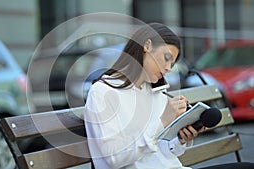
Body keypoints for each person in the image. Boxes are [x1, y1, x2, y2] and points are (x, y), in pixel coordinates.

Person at [84, 23, 254, 169]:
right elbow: (114, 159)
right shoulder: (103, 92)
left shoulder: (154, 91)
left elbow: (159, 152)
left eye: (172, 64)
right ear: (147, 46)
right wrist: (162, 121)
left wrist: (179, 140)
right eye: (166, 59)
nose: (168, 68)